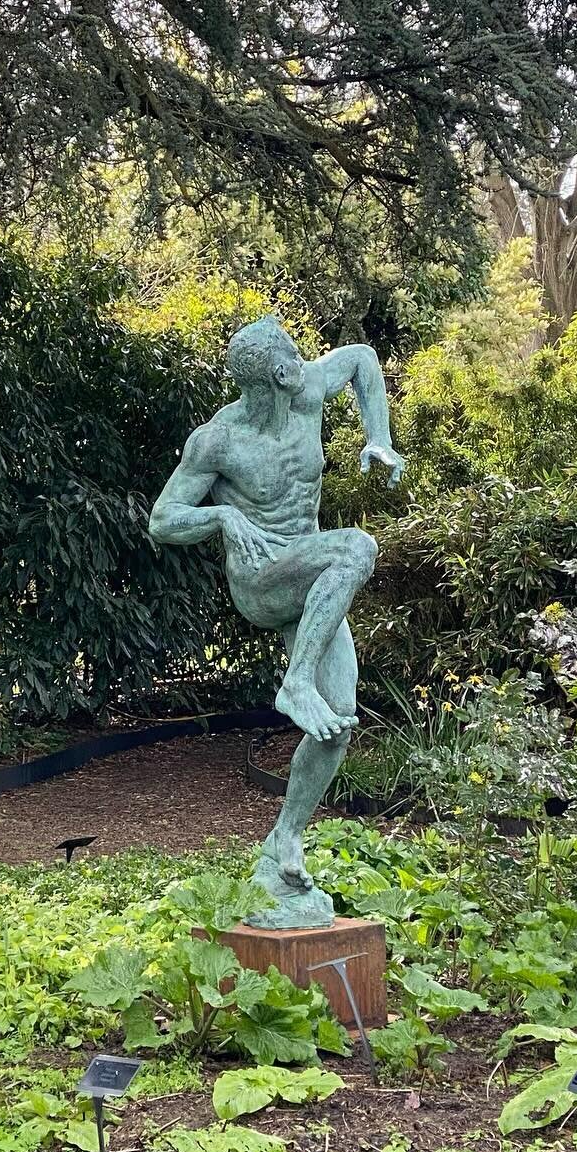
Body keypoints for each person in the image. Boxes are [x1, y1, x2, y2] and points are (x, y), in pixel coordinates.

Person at [149, 316, 402, 918]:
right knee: (357, 547)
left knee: (337, 720)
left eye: (296, 358)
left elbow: (364, 359)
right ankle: (295, 681)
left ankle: (283, 841)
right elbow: (162, 519)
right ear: (262, 380)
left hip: (312, 580)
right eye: (286, 363)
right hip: (261, 581)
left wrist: (379, 436)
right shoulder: (218, 440)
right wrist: (223, 519)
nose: (299, 369)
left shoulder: (308, 390)